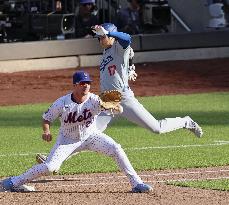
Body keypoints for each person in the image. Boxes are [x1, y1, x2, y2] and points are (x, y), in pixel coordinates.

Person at [36, 23, 203, 169]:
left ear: (111, 36)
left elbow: (127, 38)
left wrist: (110, 33)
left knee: (157, 128)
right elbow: (119, 67)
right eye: (99, 38)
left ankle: (186, 121)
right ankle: (52, 160)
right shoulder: (106, 52)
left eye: (102, 37)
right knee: (88, 132)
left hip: (124, 98)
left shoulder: (117, 46)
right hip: (107, 101)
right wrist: (128, 70)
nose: (100, 40)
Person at [0, 71, 152, 193]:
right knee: (50, 167)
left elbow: (114, 108)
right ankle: (13, 182)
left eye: (88, 83)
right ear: (75, 85)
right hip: (67, 140)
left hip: (91, 136)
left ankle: (136, 183)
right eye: (82, 83)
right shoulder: (62, 103)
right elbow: (46, 118)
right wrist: (46, 131)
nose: (86, 86)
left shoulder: (95, 100)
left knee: (116, 148)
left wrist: (116, 107)